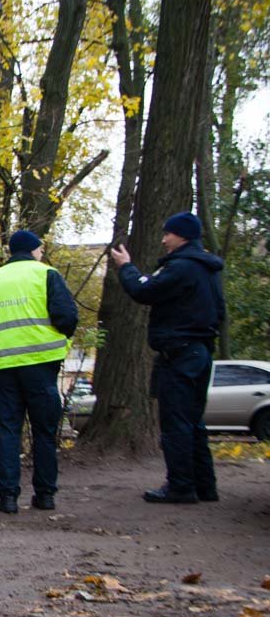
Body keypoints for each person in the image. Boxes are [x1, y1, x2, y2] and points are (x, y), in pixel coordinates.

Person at [109, 212, 225, 504]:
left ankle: (181, 486)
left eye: (168, 234)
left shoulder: (183, 267)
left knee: (175, 422)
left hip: (180, 352)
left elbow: (144, 290)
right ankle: (204, 485)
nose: (163, 239)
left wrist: (126, 267)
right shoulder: (208, 270)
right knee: (194, 421)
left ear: (182, 235)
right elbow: (220, 312)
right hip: (200, 350)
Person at [0, 230, 78, 514]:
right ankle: (45, 495)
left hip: (5, 366)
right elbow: (67, 316)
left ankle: (8, 497)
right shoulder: (46, 274)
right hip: (42, 363)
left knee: (9, 431)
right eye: (40, 248)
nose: (42, 252)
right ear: (32, 249)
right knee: (44, 431)